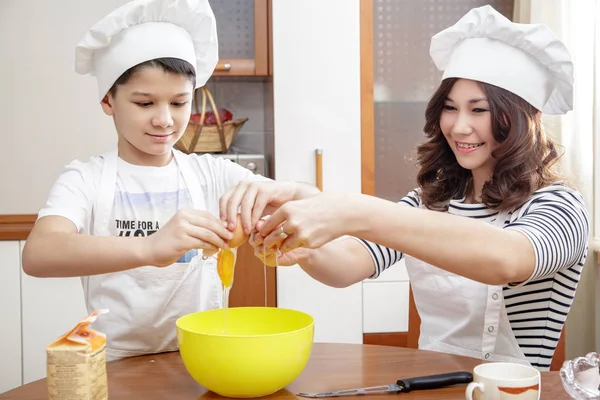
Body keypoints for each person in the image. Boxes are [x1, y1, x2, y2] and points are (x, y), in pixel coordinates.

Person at [221, 5, 591, 371]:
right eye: (450, 108)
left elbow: (507, 260)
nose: (459, 127)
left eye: (478, 110)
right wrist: (302, 244)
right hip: (428, 387)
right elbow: (348, 265)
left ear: (528, 117)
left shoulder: (559, 206)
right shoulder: (431, 201)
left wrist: (351, 209)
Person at [21, 0, 317, 361]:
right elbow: (38, 254)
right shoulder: (86, 178)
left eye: (179, 103)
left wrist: (281, 194)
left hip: (203, 358)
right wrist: (150, 247)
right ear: (108, 101)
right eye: (145, 104)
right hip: (116, 366)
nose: (164, 120)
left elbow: (313, 202)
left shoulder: (213, 174)